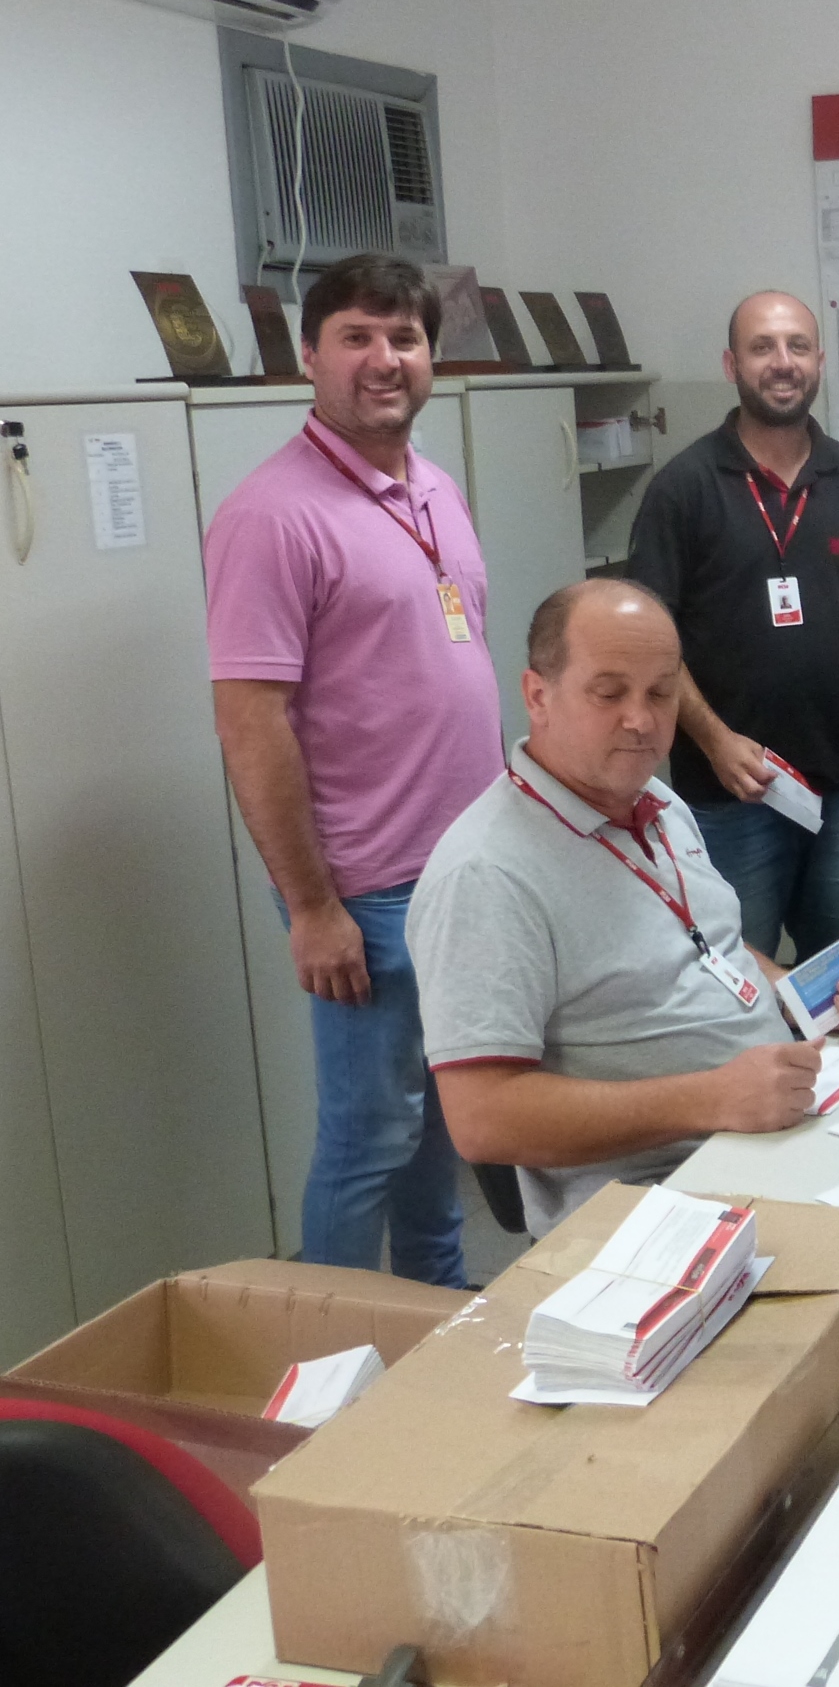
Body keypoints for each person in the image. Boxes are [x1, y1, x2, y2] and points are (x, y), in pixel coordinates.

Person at [405, 580, 839, 1238]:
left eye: (661, 693)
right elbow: (481, 1119)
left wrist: (797, 992)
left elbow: (706, 942)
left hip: (761, 1129)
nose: (640, 720)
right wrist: (713, 1097)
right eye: (609, 693)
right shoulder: (487, 874)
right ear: (537, 696)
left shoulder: (659, 804)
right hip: (659, 1193)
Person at [205, 252, 501, 1287]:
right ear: (309, 357)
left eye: (404, 337)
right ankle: (324, 1354)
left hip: (462, 870)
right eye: (356, 337)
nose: (385, 359)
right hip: (366, 891)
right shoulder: (270, 516)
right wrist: (311, 906)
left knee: (441, 1119)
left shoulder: (434, 486)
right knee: (369, 1138)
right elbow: (250, 724)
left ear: (430, 356)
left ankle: (435, 1311)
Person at [625, 290, 839, 965]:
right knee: (741, 974)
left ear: (819, 361)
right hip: (731, 790)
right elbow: (651, 640)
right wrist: (716, 740)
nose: (783, 362)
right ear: (732, 364)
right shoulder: (684, 487)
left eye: (797, 346)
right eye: (763, 347)